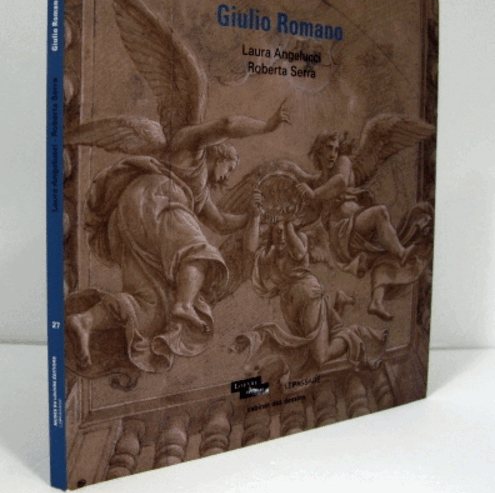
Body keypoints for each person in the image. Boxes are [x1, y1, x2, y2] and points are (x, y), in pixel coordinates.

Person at [66, 105, 289, 374]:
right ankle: (184, 304)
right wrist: (267, 125)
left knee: (152, 309)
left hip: (128, 223)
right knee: (200, 254)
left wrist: (253, 215)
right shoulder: (190, 148)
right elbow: (227, 122)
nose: (227, 177)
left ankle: (85, 321)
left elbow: (220, 222)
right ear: (219, 154)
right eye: (229, 168)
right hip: (155, 198)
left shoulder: (198, 192)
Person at [230, 195, 388, 389]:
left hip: (308, 297)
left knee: (320, 356)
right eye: (277, 232)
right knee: (305, 354)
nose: (280, 236)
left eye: (284, 231)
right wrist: (255, 216)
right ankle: (338, 305)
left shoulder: (300, 239)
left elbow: (298, 252)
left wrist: (288, 225)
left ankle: (357, 334)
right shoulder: (269, 253)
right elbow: (250, 249)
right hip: (290, 308)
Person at [296, 130, 432, 321]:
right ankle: (402, 254)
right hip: (343, 233)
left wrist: (314, 194)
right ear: (319, 150)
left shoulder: (342, 163)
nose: (333, 153)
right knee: (380, 213)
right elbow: (311, 215)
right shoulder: (318, 181)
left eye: (336, 149)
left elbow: (340, 182)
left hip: (357, 228)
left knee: (382, 256)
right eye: (329, 148)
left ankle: (376, 301)